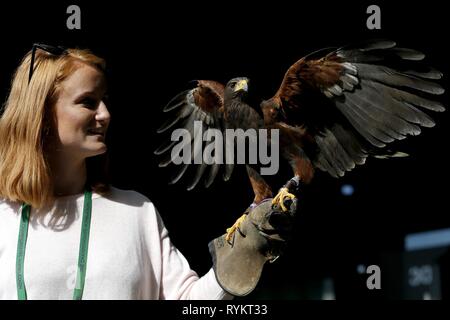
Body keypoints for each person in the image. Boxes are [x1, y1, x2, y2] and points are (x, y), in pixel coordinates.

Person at [0, 45, 296, 300]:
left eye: (105, 100)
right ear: (40, 113)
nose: (105, 114)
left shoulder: (134, 210)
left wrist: (235, 261)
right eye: (88, 102)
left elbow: (188, 301)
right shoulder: (4, 218)